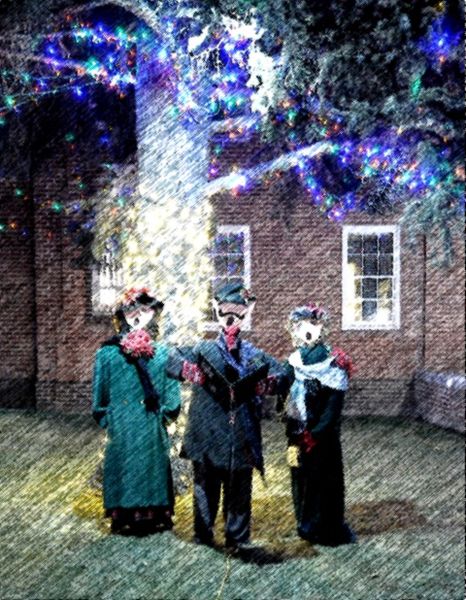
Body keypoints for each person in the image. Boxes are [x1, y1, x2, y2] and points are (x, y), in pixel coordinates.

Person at [167, 282, 286, 551]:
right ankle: (203, 532)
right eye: (226, 312)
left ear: (247, 314)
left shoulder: (255, 355)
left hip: (240, 434)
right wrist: (190, 371)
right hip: (207, 431)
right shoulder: (202, 349)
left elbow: (280, 373)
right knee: (205, 485)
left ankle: (238, 536)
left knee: (239, 487)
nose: (232, 318)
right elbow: (171, 358)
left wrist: (267, 384)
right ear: (217, 313)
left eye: (238, 313)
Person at [92, 287, 181, 535]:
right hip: (121, 421)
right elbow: (100, 392)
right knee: (122, 464)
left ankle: (153, 513)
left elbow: (171, 390)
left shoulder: (163, 353)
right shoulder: (107, 354)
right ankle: (123, 513)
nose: (138, 316)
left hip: (150, 420)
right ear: (122, 315)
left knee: (151, 464)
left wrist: (164, 414)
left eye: (144, 310)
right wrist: (108, 416)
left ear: (154, 313)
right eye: (131, 310)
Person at [284, 302, 356, 546]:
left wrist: (316, 432)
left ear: (322, 327)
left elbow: (334, 404)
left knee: (324, 480)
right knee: (301, 478)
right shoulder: (294, 361)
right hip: (298, 432)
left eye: (313, 324)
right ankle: (306, 523)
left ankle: (325, 525)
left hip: (321, 437)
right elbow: (286, 395)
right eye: (302, 325)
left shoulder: (333, 363)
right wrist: (293, 425)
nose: (308, 330)